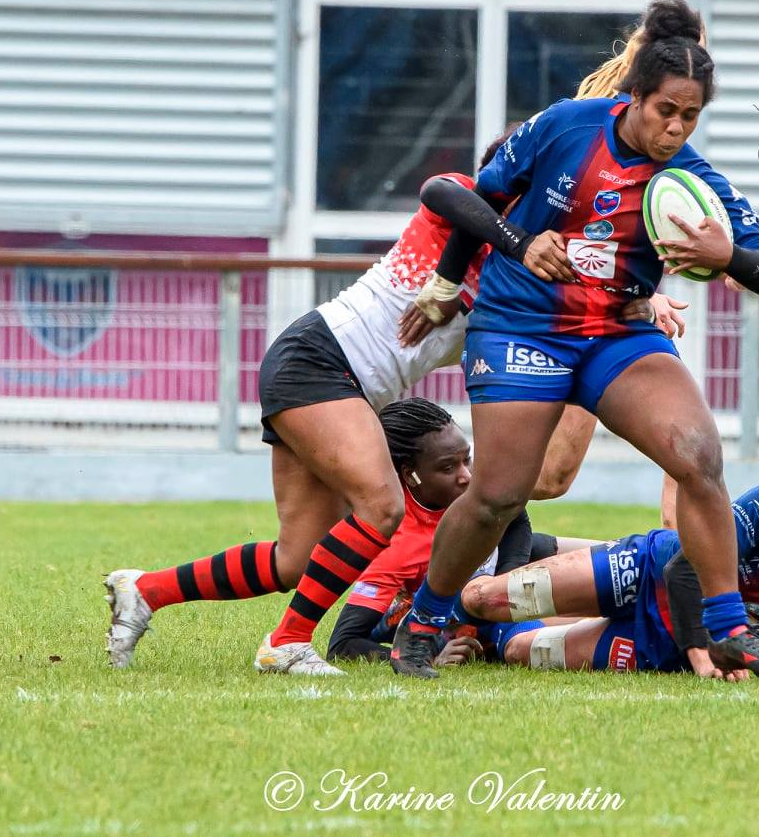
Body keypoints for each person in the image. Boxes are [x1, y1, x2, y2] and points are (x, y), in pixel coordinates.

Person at [104, 146, 680, 676]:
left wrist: (642, 298)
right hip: (318, 359)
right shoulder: (470, 209)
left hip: (338, 381)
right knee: (381, 507)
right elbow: (440, 189)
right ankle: (287, 643)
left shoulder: (520, 271)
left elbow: (588, 299)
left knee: (294, 560)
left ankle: (147, 590)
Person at [389, 0, 759, 680]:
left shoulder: (690, 178)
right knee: (498, 495)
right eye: (665, 109)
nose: (674, 127)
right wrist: (465, 274)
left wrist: (724, 255)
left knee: (698, 455)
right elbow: (472, 196)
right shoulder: (565, 127)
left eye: (689, 116)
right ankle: (423, 623)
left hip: (615, 334)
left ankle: (729, 630)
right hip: (523, 326)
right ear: (635, 94)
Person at [465, 482, 759, 679]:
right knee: (482, 598)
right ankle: (429, 606)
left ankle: (483, 638)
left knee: (516, 651)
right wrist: (703, 659)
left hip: (662, 643)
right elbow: (684, 569)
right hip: (647, 570)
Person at [325, 398, 544, 665]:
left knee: (598, 563)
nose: (467, 476)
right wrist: (430, 653)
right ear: (410, 476)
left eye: (467, 459)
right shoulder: (398, 544)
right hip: (460, 613)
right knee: (535, 642)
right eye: (448, 467)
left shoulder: (461, 492)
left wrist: (506, 583)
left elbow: (515, 517)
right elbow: (343, 643)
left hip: (490, 582)